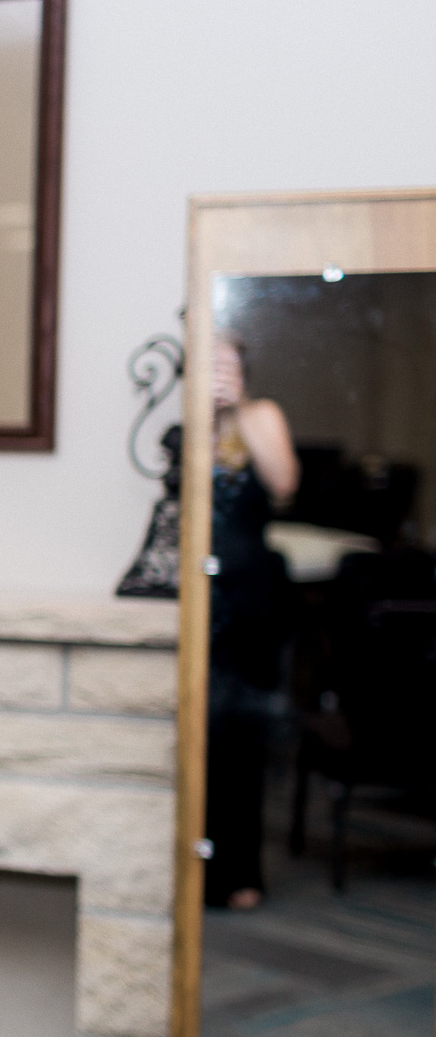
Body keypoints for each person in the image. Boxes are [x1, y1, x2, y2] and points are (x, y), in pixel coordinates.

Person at [204, 332, 298, 909]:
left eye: (228, 357)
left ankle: (242, 872)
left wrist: (235, 410)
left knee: (244, 731)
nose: (219, 367)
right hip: (202, 591)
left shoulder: (262, 415)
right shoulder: (181, 420)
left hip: (253, 593)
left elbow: (284, 483)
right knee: (203, 732)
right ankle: (197, 867)